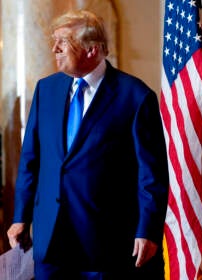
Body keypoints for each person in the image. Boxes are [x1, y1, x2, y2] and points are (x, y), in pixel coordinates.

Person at [7, 9, 169, 280]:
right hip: (49, 243)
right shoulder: (46, 90)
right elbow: (30, 160)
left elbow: (151, 176)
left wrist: (147, 230)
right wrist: (20, 216)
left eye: (64, 42)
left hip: (105, 245)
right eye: (54, 40)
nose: (54, 48)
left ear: (92, 50)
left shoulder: (136, 97)